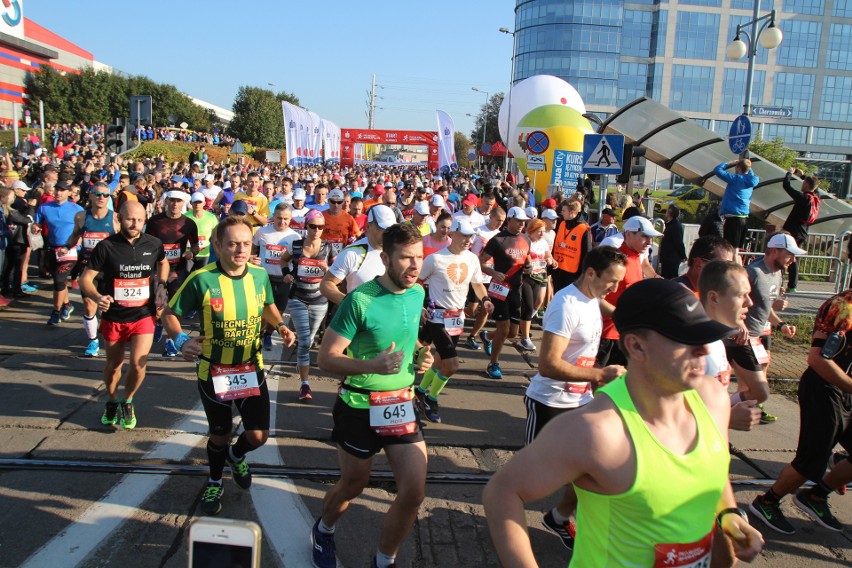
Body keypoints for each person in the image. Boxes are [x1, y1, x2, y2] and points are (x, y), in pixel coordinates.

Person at [484, 278, 764, 567]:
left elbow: (713, 470)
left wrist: (727, 514)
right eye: (686, 340)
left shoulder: (714, 399)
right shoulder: (597, 430)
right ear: (637, 347)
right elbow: (502, 492)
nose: (703, 350)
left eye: (703, 337)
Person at [310, 223, 434, 568]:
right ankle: (324, 528)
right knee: (353, 485)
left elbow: (408, 342)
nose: (414, 266)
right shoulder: (359, 300)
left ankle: (384, 560)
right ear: (385, 258)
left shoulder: (417, 293)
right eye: (406, 258)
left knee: (413, 493)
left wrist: (422, 355)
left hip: (400, 404)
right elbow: (326, 358)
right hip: (358, 406)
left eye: (419, 258)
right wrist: (374, 367)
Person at [162, 216, 296, 515]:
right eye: (233, 244)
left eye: (246, 244)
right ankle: (213, 479)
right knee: (219, 435)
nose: (240, 250)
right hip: (214, 371)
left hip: (250, 367)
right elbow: (169, 314)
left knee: (259, 435)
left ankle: (237, 455)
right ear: (218, 245)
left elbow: (266, 305)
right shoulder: (202, 278)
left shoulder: (259, 276)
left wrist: (281, 327)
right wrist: (182, 339)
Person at [524, 246, 627, 550]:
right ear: (591, 273)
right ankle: (506, 517)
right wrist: (599, 375)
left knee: (592, 468)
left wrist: (634, 320)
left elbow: (607, 308)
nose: (615, 288)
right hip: (549, 403)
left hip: (580, 401)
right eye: (612, 281)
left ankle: (559, 516)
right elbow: (548, 364)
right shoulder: (565, 305)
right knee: (533, 479)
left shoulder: (593, 297)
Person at [749, 288, 852, 535]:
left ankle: (815, 497)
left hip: (845, 389)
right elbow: (817, 359)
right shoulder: (842, 307)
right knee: (811, 461)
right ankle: (767, 502)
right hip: (823, 388)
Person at [79, 201, 169, 429]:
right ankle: (111, 400)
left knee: (138, 365)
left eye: (139, 220)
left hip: (143, 314)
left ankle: (127, 400)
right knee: (114, 365)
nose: (135, 224)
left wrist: (161, 286)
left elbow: (163, 263)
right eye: (130, 219)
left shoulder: (154, 243)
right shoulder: (106, 247)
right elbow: (85, 279)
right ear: (119, 218)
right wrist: (98, 296)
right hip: (115, 315)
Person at [415, 218, 493, 423]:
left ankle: (420, 391)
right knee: (452, 365)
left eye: (471, 236)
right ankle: (431, 399)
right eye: (464, 235)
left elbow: (477, 284)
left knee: (440, 361)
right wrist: (420, 305)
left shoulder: (472, 259)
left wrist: (485, 299)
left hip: (457, 317)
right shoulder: (435, 259)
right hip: (437, 317)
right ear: (453, 235)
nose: (468, 240)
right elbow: (418, 281)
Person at [726, 233, 805, 424]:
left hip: (757, 336)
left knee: (753, 388)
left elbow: (765, 307)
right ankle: (719, 412)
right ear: (774, 251)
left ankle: (734, 412)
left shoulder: (777, 274)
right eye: (789, 254)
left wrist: (781, 324)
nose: (793, 260)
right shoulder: (753, 272)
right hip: (741, 338)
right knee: (758, 389)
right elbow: (733, 300)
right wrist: (740, 324)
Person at [697, 260, 763, 431]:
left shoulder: (716, 341)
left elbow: (708, 401)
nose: (750, 302)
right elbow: (666, 416)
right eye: (741, 295)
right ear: (714, 298)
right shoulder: (691, 349)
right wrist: (727, 419)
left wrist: (732, 406)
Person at [280, 209, 334, 401]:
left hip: (320, 300)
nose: (317, 230)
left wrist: (327, 269)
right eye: (313, 226)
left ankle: (302, 367)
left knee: (309, 339)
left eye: (320, 227)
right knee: (304, 341)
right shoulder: (295, 245)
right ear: (306, 226)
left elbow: (336, 273)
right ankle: (305, 384)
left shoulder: (328, 248)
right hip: (298, 298)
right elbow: (283, 260)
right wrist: (286, 273)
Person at [597, 216, 662, 367]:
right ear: (627, 235)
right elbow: (595, 297)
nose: (649, 242)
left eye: (651, 237)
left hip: (625, 333)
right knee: (601, 382)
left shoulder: (635, 258)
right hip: (608, 335)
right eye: (644, 236)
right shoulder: (617, 262)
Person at [63, 183, 120, 356]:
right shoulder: (81, 216)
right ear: (91, 196)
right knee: (89, 306)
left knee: (109, 307)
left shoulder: (116, 218)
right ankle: (93, 341)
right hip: (89, 269)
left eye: (106, 195)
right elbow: (74, 235)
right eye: (98, 194)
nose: (101, 198)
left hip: (110, 270)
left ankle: (111, 336)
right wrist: (67, 246)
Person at [478, 207, 532, 379]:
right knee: (504, 328)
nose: (521, 225)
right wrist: (492, 272)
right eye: (518, 221)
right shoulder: (497, 240)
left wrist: (529, 267)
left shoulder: (525, 239)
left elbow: (526, 258)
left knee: (512, 333)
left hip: (516, 288)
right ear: (509, 220)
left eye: (524, 222)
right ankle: (493, 364)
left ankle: (487, 335)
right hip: (499, 288)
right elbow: (480, 262)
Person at [146, 190, 199, 356]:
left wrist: (192, 253)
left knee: (176, 306)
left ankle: (172, 341)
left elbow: (196, 245)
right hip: (158, 268)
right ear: (166, 202)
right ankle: (160, 323)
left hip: (178, 270)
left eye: (178, 201)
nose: (175, 204)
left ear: (184, 203)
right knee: (157, 303)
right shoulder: (155, 221)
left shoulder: (189, 224)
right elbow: (146, 243)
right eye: (172, 201)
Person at [320, 204, 396, 305]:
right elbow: (326, 284)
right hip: (361, 319)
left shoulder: (399, 249)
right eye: (382, 229)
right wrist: (350, 304)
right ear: (368, 226)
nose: (387, 233)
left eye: (391, 229)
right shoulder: (351, 253)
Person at [33, 180, 84, 325]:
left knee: (60, 279)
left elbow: (83, 228)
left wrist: (79, 238)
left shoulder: (77, 209)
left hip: (70, 250)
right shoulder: (44, 208)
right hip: (52, 248)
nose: (58, 193)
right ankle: (67, 305)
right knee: (58, 281)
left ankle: (55, 312)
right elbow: (36, 223)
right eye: (57, 190)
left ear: (69, 193)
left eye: (62, 190)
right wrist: (35, 228)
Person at [251, 203, 300, 350]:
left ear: (290, 219)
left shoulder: (295, 236)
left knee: (278, 313)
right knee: (262, 312)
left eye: (285, 219)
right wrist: (251, 259)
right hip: (264, 278)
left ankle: (268, 334)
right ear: (274, 217)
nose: (282, 222)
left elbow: (297, 261)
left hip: (283, 280)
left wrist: (291, 276)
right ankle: (257, 335)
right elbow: (253, 250)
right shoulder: (262, 232)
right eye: (279, 218)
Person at [465, 206, 507, 350]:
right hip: (475, 276)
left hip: (491, 278)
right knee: (472, 309)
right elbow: (466, 247)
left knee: (486, 309)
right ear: (491, 217)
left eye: (503, 221)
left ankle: (472, 336)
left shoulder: (501, 235)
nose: (500, 223)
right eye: (498, 220)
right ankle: (456, 318)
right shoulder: (478, 231)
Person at [517, 219, 556, 351]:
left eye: (543, 232)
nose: (541, 234)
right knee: (528, 307)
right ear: (531, 231)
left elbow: (548, 255)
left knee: (538, 303)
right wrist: (527, 263)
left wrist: (552, 261)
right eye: (539, 232)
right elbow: (524, 256)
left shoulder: (543, 242)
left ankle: (523, 323)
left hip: (541, 275)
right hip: (527, 277)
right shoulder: (525, 241)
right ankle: (525, 338)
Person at [781, 167, 820, 293]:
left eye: (803, 182)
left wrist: (789, 173)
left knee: (788, 256)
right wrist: (803, 176)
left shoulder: (803, 197)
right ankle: (792, 284)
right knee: (793, 257)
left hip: (793, 231)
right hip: (803, 232)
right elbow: (816, 188)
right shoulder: (815, 198)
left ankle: (790, 285)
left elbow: (786, 186)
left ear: (805, 185)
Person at [714, 159, 759, 257]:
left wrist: (728, 163)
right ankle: (738, 269)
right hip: (743, 218)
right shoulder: (753, 180)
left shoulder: (736, 179)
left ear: (738, 168)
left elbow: (717, 170)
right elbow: (750, 175)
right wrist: (748, 167)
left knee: (730, 249)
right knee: (736, 249)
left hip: (733, 217)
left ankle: (732, 270)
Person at [551, 200, 592, 292]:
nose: (562, 213)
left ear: (572, 212)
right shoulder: (562, 224)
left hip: (573, 273)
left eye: (564, 211)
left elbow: (587, 252)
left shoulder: (583, 229)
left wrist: (582, 274)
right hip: (558, 269)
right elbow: (555, 244)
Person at [185, 192, 219, 270]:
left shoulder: (211, 218)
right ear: (191, 203)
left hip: (205, 254)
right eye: (195, 202)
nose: (197, 204)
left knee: (202, 276)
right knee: (187, 277)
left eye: (199, 202)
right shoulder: (185, 217)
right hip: (188, 253)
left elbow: (216, 235)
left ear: (204, 203)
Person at [658, 204, 687, 279]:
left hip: (671, 258)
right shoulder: (672, 224)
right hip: (668, 257)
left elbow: (678, 242)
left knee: (670, 278)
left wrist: (683, 256)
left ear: (669, 213)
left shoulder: (675, 226)